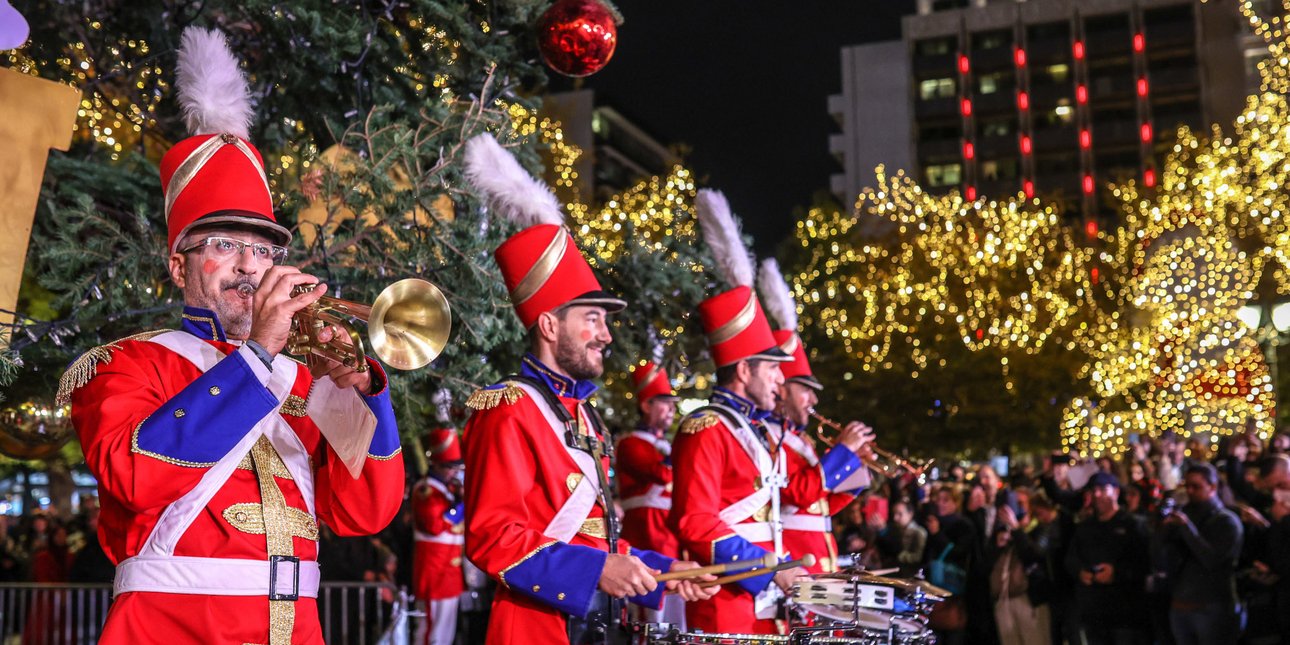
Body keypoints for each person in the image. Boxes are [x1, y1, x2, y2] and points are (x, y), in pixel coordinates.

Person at [59, 28, 404, 644]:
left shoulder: (303, 375)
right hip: (169, 629)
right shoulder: (128, 364)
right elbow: (136, 477)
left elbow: (363, 513)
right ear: (178, 265)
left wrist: (363, 393)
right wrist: (259, 354)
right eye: (222, 245)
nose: (249, 265)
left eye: (262, 248)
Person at [460, 134, 714, 644]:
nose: (606, 333)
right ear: (550, 327)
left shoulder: (582, 414)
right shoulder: (509, 409)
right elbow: (491, 537)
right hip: (535, 626)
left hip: (597, 622)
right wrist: (595, 572)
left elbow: (593, 538)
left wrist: (667, 569)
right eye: (592, 318)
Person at [670, 191, 872, 634]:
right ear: (743, 370)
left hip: (768, 598)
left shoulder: (759, 432)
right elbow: (695, 521)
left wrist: (855, 468)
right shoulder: (704, 428)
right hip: (728, 602)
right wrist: (769, 568)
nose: (781, 382)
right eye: (772, 371)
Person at [757, 258, 874, 575]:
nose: (814, 399)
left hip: (820, 559)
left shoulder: (800, 439)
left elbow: (821, 504)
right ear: (782, 387)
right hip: (797, 562)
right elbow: (797, 494)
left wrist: (853, 467)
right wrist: (841, 453)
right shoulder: (765, 435)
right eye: (805, 389)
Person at [1157, 463, 1243, 644]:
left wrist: (1187, 528)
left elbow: (1211, 560)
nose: (1189, 491)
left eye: (1195, 486)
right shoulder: (1183, 515)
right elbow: (1161, 556)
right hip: (1180, 604)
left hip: (1211, 607)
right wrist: (1162, 529)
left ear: (1212, 487)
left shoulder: (1227, 521)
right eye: (1186, 486)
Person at [1064, 472, 1150, 645]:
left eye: (1103, 489)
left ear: (1116, 492)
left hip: (1126, 614)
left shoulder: (1133, 524)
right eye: (1094, 490)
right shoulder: (1085, 527)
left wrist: (1116, 573)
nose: (1097, 495)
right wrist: (1080, 572)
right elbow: (1071, 558)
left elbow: (1145, 563)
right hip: (1094, 613)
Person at [616, 361, 681, 558]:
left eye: (672, 404)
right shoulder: (631, 443)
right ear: (646, 405)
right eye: (664, 403)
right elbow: (662, 474)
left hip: (670, 530)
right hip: (646, 531)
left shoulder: (664, 444)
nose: (671, 409)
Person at [412, 427, 466, 645]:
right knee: (430, 633)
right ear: (436, 464)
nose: (453, 473)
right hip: (433, 574)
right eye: (449, 468)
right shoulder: (426, 490)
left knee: (445, 634)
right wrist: (462, 504)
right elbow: (435, 525)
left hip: (449, 574)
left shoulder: (446, 490)